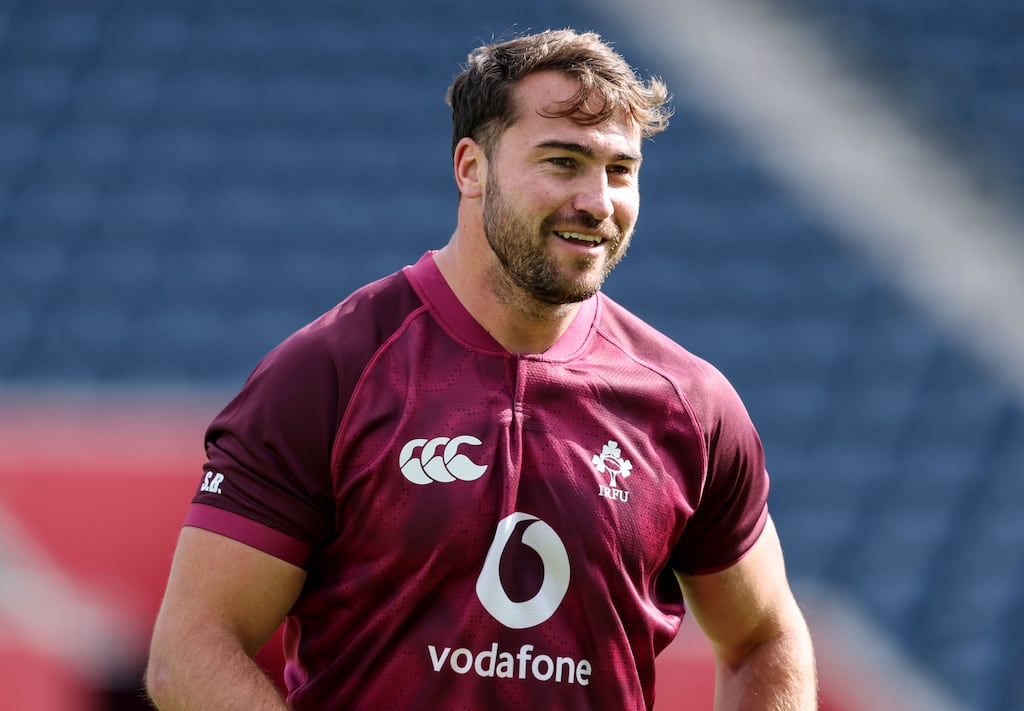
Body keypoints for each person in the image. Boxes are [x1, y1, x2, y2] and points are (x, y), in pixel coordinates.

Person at [145, 28, 817, 710]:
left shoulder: (690, 405)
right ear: (471, 167)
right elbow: (193, 649)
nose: (598, 201)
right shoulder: (332, 372)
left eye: (620, 170)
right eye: (562, 161)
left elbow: (764, 635)